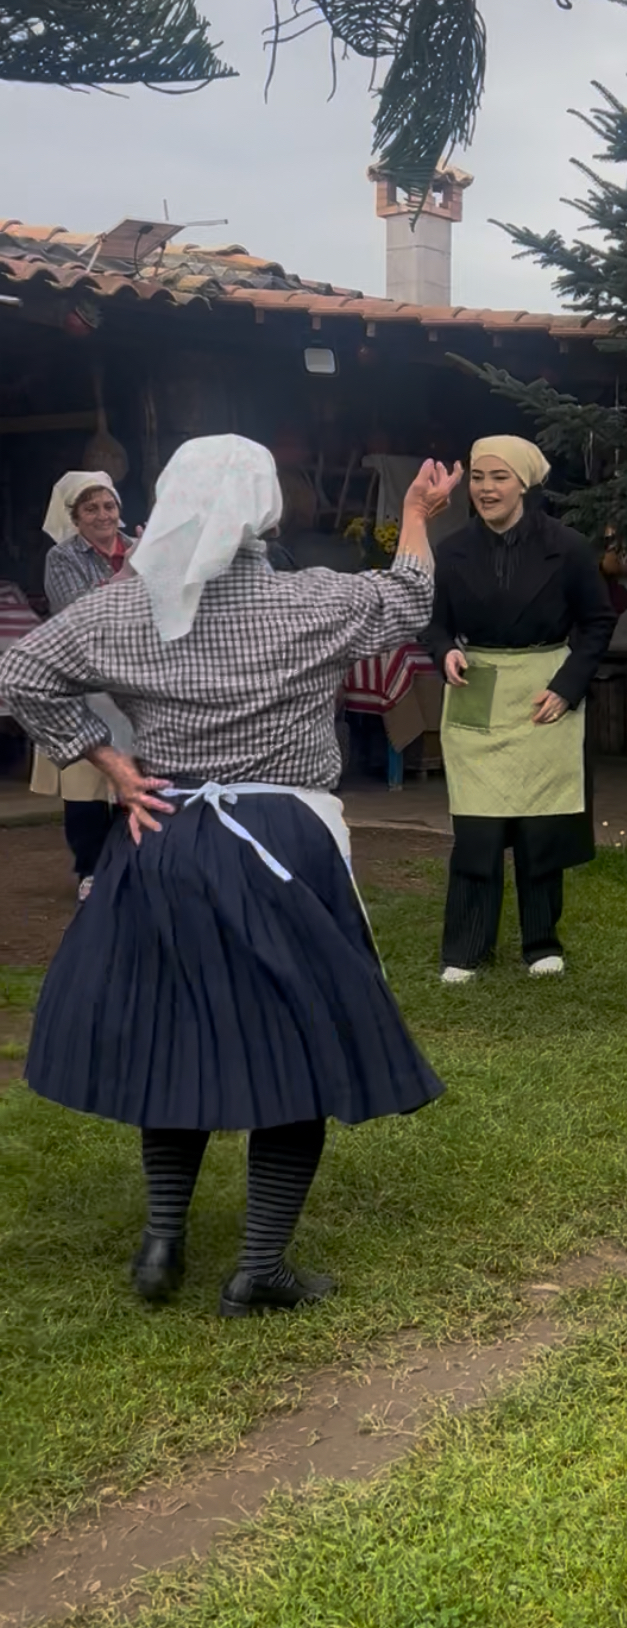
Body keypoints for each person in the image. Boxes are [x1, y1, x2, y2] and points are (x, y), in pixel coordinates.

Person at [0, 435, 461, 1316]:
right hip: (281, 843)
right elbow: (407, 598)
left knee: (171, 1034)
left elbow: (20, 670)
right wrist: (412, 516)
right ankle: (257, 1269)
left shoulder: (122, 609)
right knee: (296, 1049)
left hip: (162, 838)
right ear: (265, 513)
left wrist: (106, 762)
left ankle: (162, 1241)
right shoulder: (310, 601)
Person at [422, 435, 617, 982]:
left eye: (498, 477)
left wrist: (569, 684)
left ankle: (541, 943)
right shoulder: (453, 550)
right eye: (479, 478)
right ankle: (465, 949)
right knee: (478, 828)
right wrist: (445, 651)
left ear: (525, 483)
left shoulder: (570, 548)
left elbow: (598, 621)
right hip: (477, 688)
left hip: (544, 690)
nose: (486, 489)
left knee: (540, 825)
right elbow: (432, 623)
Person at [32, 471, 137, 892]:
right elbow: (75, 611)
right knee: (86, 780)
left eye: (108, 506)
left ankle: (135, 865)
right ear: (75, 519)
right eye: (90, 509)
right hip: (84, 681)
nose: (102, 515)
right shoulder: (63, 558)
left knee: (137, 774)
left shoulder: (139, 548)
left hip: (134, 677)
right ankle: (91, 870)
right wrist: (126, 578)